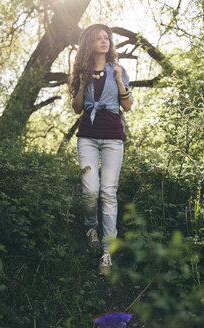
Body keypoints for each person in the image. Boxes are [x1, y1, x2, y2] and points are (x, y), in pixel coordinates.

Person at [69, 24, 133, 274]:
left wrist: (118, 80)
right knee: (90, 189)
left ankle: (107, 251)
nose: (104, 41)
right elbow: (76, 108)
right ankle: (90, 225)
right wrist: (83, 84)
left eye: (107, 38)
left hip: (113, 137)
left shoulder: (118, 69)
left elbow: (127, 106)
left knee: (108, 191)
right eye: (98, 38)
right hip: (87, 136)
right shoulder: (82, 72)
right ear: (90, 44)